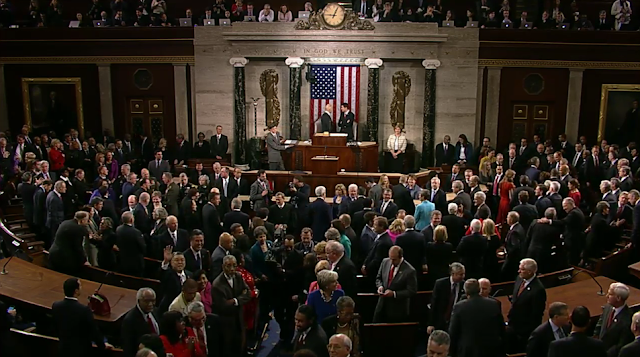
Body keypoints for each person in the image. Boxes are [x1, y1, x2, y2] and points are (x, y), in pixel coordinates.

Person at [52, 278, 109, 356]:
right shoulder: (84, 310)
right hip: (81, 352)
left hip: (63, 349)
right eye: (80, 286)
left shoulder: (56, 306)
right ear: (76, 291)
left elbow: (56, 327)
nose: (81, 288)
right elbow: (93, 331)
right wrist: (103, 346)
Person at [449, 279, 505, 357]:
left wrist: (452, 353)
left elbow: (453, 332)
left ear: (465, 291)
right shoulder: (493, 304)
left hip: (468, 351)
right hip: (491, 350)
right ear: (479, 289)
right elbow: (501, 329)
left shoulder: (459, 307)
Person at [507, 258, 547, 353]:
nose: (519, 271)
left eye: (522, 269)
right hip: (513, 325)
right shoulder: (519, 278)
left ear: (530, 272)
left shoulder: (538, 290)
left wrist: (526, 333)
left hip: (524, 332)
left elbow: (536, 315)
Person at [373, 246, 417, 323]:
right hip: (381, 305)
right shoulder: (385, 262)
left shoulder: (410, 271)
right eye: (390, 258)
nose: (391, 262)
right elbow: (378, 278)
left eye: (394, 259)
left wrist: (394, 294)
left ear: (400, 257)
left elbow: (411, 291)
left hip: (397, 310)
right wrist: (380, 286)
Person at [593, 282, 634, 356]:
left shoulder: (627, 319)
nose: (607, 296)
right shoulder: (607, 307)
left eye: (610, 294)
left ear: (618, 298)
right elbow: (600, 324)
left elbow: (620, 345)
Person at [427, 262, 465, 334]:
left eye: (463, 274)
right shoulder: (440, 284)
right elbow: (434, 304)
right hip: (441, 320)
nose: (463, 276)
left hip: (456, 321)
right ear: (453, 274)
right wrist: (431, 323)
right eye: (460, 274)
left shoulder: (464, 285)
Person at [48, 211, 91, 275]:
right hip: (64, 259)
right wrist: (84, 261)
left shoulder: (65, 222)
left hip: (54, 253)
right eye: (87, 220)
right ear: (82, 220)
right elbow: (78, 247)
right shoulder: (78, 229)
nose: (88, 222)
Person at [121, 288, 160, 357]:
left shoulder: (155, 312)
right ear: (139, 301)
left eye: (153, 301)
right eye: (146, 301)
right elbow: (128, 348)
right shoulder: (130, 320)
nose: (150, 304)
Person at [117, 211, 146, 277]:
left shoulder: (118, 229)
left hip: (123, 260)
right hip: (136, 263)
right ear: (131, 220)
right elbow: (142, 247)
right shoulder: (136, 232)